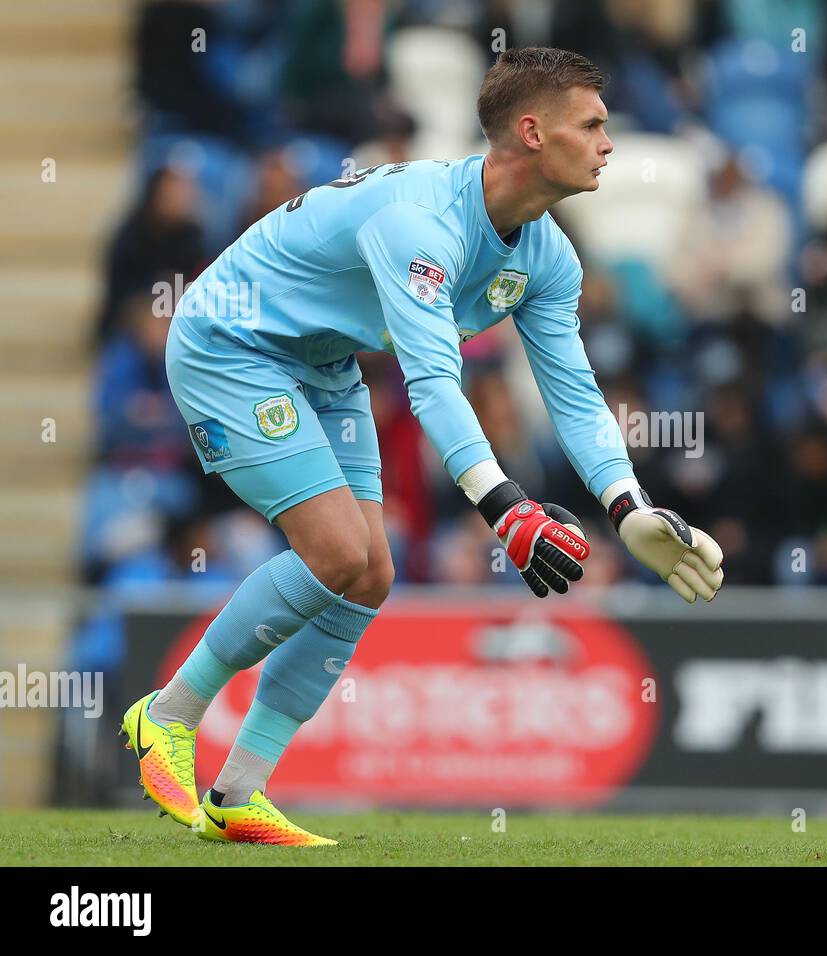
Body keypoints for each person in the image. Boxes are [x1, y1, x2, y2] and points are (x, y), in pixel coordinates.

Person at [121, 47, 724, 847]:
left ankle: (238, 793)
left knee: (369, 574)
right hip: (230, 341)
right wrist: (505, 508)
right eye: (594, 124)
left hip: (323, 359)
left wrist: (628, 504)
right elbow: (433, 383)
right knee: (335, 552)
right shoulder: (421, 223)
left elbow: (574, 395)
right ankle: (168, 715)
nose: (610, 142)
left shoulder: (548, 256)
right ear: (534, 132)